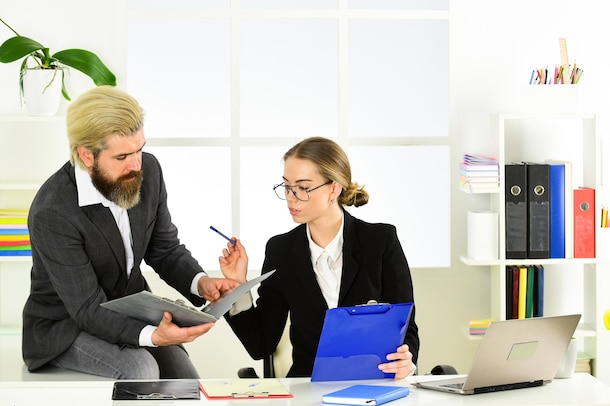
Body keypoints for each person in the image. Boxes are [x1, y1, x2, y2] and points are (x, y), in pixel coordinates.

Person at [22, 86, 238, 379]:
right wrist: (152, 336)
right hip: (65, 326)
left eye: (140, 149)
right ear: (86, 155)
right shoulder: (53, 211)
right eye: (122, 156)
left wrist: (200, 283)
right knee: (142, 368)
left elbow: (164, 248)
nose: (136, 165)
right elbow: (86, 307)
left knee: (186, 377)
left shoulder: (148, 169)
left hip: (129, 310)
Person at [219, 136, 419, 379]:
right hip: (309, 388)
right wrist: (239, 285)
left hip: (375, 383)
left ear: (334, 188)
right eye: (287, 186)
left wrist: (407, 364)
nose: (291, 197)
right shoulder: (281, 250)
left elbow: (405, 328)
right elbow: (261, 344)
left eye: (303, 187)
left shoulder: (380, 241)